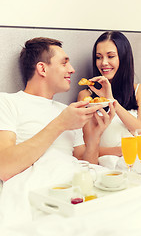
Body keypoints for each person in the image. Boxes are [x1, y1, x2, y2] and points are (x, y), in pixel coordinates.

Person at [0, 37, 115, 181]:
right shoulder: (7, 102)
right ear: (42, 69)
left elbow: (86, 168)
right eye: (64, 63)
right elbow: (4, 167)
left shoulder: (68, 111)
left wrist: (94, 137)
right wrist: (61, 123)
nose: (72, 70)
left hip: (75, 187)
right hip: (40, 189)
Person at [78, 31, 141, 156]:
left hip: (137, 159)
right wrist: (123, 150)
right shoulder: (86, 96)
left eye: (110, 56)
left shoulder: (140, 90)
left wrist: (111, 100)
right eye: (99, 57)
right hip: (109, 162)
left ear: (123, 58)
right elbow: (88, 147)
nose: (104, 62)